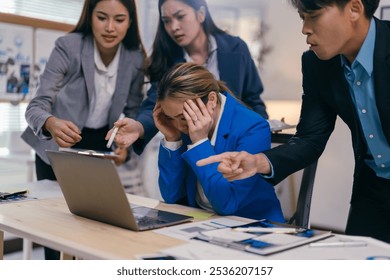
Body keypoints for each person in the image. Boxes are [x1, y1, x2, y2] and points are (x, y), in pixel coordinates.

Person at [198, 0, 390, 243]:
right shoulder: (317, 64)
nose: (305, 29)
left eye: (314, 16)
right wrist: (259, 161)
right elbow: (310, 139)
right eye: (302, 17)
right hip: (372, 190)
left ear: (354, 9)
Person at [21, 0, 146, 259]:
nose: (110, 27)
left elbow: (134, 112)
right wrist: (50, 123)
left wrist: (125, 145)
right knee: (55, 230)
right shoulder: (69, 47)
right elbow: (36, 106)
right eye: (102, 17)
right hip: (57, 141)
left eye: (119, 20)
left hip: (99, 142)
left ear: (131, 22)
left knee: (95, 226)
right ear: (90, 17)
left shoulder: (134, 58)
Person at [108, 0, 268, 154]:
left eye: (180, 16)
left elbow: (252, 99)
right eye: (166, 21)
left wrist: (258, 134)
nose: (174, 27)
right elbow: (155, 105)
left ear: (201, 14)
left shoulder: (235, 48)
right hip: (188, 151)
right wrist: (139, 126)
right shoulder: (166, 60)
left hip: (233, 146)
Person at [154, 62, 284, 221]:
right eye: (170, 118)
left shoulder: (253, 127)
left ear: (212, 100)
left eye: (183, 117)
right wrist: (172, 139)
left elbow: (227, 204)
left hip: (250, 225)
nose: (179, 126)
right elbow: (171, 197)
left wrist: (200, 142)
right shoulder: (184, 126)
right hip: (202, 221)